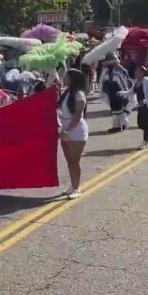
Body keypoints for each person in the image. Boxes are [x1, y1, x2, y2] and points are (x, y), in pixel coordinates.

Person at [58, 68, 88, 199]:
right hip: (65, 128)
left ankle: (76, 188)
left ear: (72, 79)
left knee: (74, 161)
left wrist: (67, 130)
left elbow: (77, 115)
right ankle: (72, 185)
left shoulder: (79, 94)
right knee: (70, 161)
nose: (64, 79)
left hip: (76, 131)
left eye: (66, 77)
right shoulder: (67, 93)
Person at [128, 65, 148, 149]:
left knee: (146, 123)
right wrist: (121, 93)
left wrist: (142, 102)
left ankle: (145, 142)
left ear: (142, 73)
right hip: (141, 106)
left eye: (137, 71)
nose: (135, 73)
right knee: (140, 124)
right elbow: (131, 92)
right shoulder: (136, 82)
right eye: (135, 71)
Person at [99, 54, 132, 133]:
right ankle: (116, 126)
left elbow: (122, 82)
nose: (104, 63)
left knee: (119, 108)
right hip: (112, 91)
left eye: (106, 62)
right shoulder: (108, 70)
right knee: (114, 109)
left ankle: (124, 124)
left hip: (118, 91)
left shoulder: (118, 70)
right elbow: (102, 80)